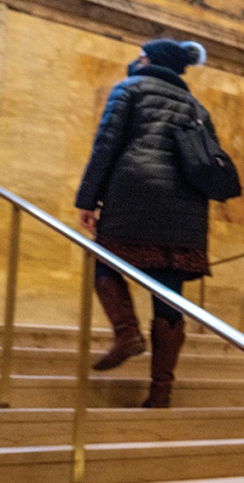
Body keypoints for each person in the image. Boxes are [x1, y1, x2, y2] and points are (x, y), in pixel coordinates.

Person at [75, 38, 215, 408]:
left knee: (105, 262)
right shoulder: (196, 106)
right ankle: (160, 392)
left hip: (133, 196)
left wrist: (87, 200)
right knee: (168, 291)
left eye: (141, 54)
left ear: (151, 60)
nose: (135, 59)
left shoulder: (130, 89)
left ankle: (127, 334)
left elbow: (106, 144)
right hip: (185, 212)